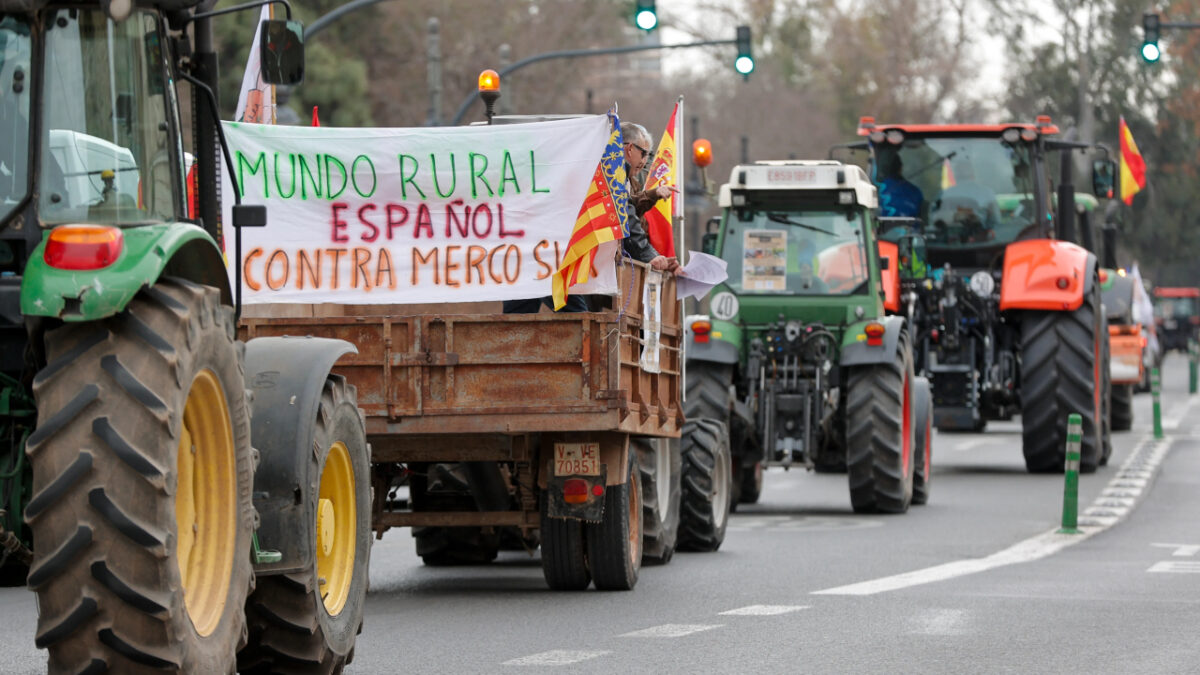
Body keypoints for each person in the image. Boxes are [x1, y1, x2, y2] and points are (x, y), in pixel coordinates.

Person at [620, 121, 679, 273]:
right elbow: (626, 213)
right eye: (644, 153)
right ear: (630, 148)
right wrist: (649, 255)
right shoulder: (612, 178)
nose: (644, 161)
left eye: (648, 154)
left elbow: (636, 218)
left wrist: (660, 259)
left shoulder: (630, 181)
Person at [876, 152, 923, 219]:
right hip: (912, 228)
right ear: (901, 168)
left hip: (883, 228)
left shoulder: (877, 188)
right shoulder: (916, 191)